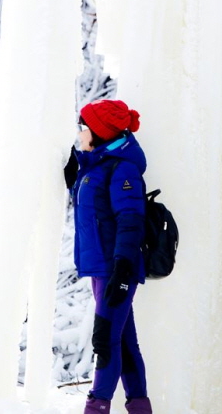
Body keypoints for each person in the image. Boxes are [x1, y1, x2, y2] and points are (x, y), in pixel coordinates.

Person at [64, 99, 153, 414]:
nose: (79, 133)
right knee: (124, 344)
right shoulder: (100, 165)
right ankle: (140, 408)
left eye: (83, 128)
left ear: (99, 132)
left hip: (116, 268)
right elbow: (93, 201)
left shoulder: (123, 169)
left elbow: (131, 219)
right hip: (103, 267)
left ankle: (96, 408)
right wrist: (75, 169)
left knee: (104, 341)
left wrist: (122, 268)